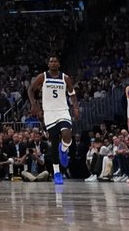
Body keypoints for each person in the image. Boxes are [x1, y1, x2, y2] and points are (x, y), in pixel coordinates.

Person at [29, 56, 78, 185]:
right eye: (51, 61)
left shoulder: (65, 78)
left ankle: (64, 149)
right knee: (54, 143)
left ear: (59, 64)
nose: (53, 63)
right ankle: (57, 173)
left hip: (63, 110)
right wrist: (33, 103)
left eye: (55, 61)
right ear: (48, 64)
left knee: (67, 134)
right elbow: (31, 89)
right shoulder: (43, 76)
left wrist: (76, 107)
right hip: (49, 112)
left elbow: (72, 93)